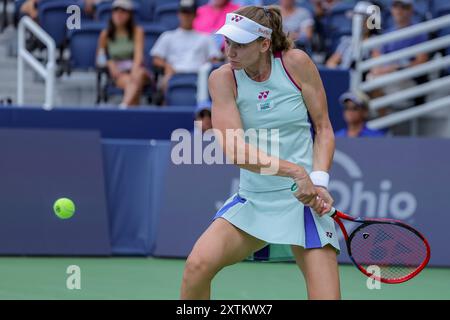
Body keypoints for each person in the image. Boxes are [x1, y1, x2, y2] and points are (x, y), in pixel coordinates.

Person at [180, 6, 340, 300]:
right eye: (228, 42)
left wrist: (318, 182)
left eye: (240, 44)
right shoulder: (222, 79)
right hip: (255, 199)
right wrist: (295, 171)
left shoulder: (296, 64)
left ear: (264, 44)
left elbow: (324, 128)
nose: (231, 51)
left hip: (304, 203)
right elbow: (236, 151)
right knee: (196, 267)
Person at [151, 0, 222, 98]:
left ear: (195, 15)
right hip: (174, 74)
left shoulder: (205, 38)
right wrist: (166, 66)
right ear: (179, 14)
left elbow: (215, 59)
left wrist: (206, 67)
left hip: (198, 76)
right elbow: (156, 59)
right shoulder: (167, 36)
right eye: (184, 13)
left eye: (189, 13)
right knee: (163, 83)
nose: (186, 16)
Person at [368, 0, 428, 109]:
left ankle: (383, 121)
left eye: (403, 7)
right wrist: (383, 70)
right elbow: (376, 60)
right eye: (396, 6)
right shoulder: (388, 33)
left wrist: (396, 68)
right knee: (370, 79)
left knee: (373, 84)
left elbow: (421, 62)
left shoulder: (419, 32)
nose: (399, 11)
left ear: (411, 10)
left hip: (406, 78)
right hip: (386, 76)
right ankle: (383, 120)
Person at [97, 0, 151, 108]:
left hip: (137, 70)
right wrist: (110, 63)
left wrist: (134, 72)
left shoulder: (137, 31)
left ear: (129, 15)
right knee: (134, 84)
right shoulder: (105, 34)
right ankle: (129, 111)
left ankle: (123, 108)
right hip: (119, 74)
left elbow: (138, 55)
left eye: (123, 11)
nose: (119, 14)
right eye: (116, 11)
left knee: (138, 76)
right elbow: (100, 58)